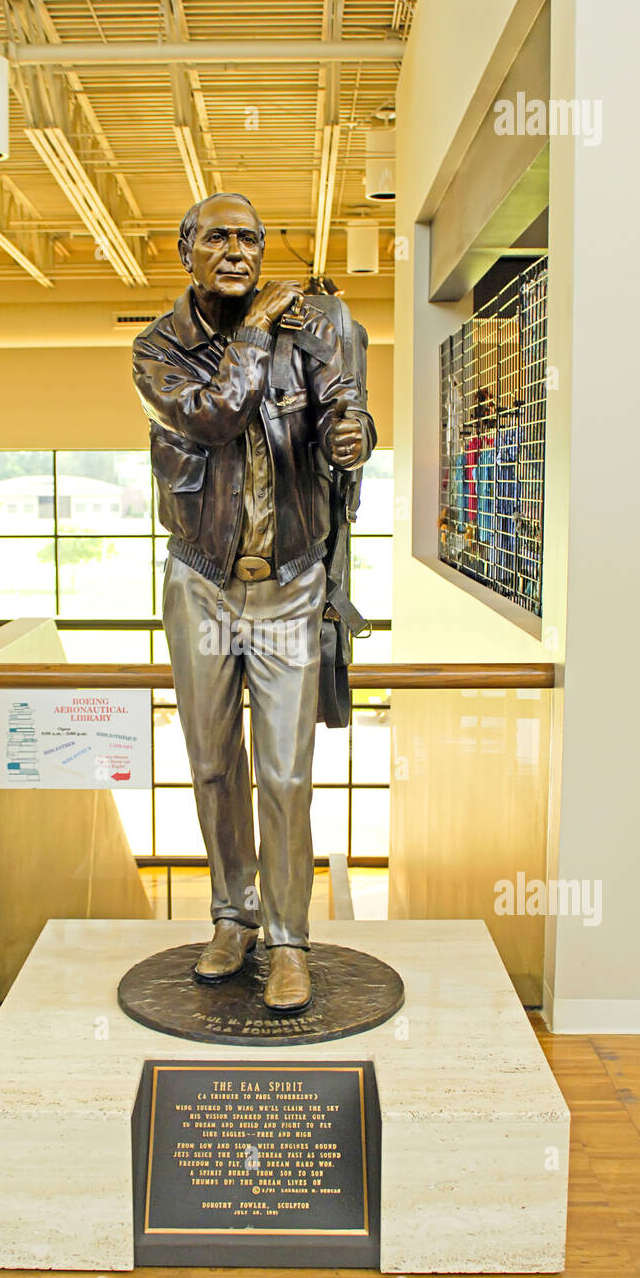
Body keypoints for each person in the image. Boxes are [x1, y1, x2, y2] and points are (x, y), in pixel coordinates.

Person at [132, 193, 375, 1010]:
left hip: (291, 581)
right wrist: (255, 334)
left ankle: (288, 939)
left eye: (249, 237)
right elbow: (214, 417)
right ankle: (232, 918)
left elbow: (347, 414)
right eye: (217, 237)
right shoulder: (159, 349)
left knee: (286, 772)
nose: (235, 250)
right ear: (185, 250)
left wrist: (355, 436)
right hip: (200, 579)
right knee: (210, 764)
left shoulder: (314, 326)